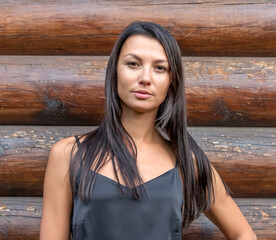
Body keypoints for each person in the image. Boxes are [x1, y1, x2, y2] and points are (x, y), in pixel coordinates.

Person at [40, 21, 256, 240]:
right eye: (133, 64)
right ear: (115, 71)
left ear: (171, 82)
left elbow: (243, 234)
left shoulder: (186, 162)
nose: (145, 78)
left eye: (160, 68)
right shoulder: (68, 155)